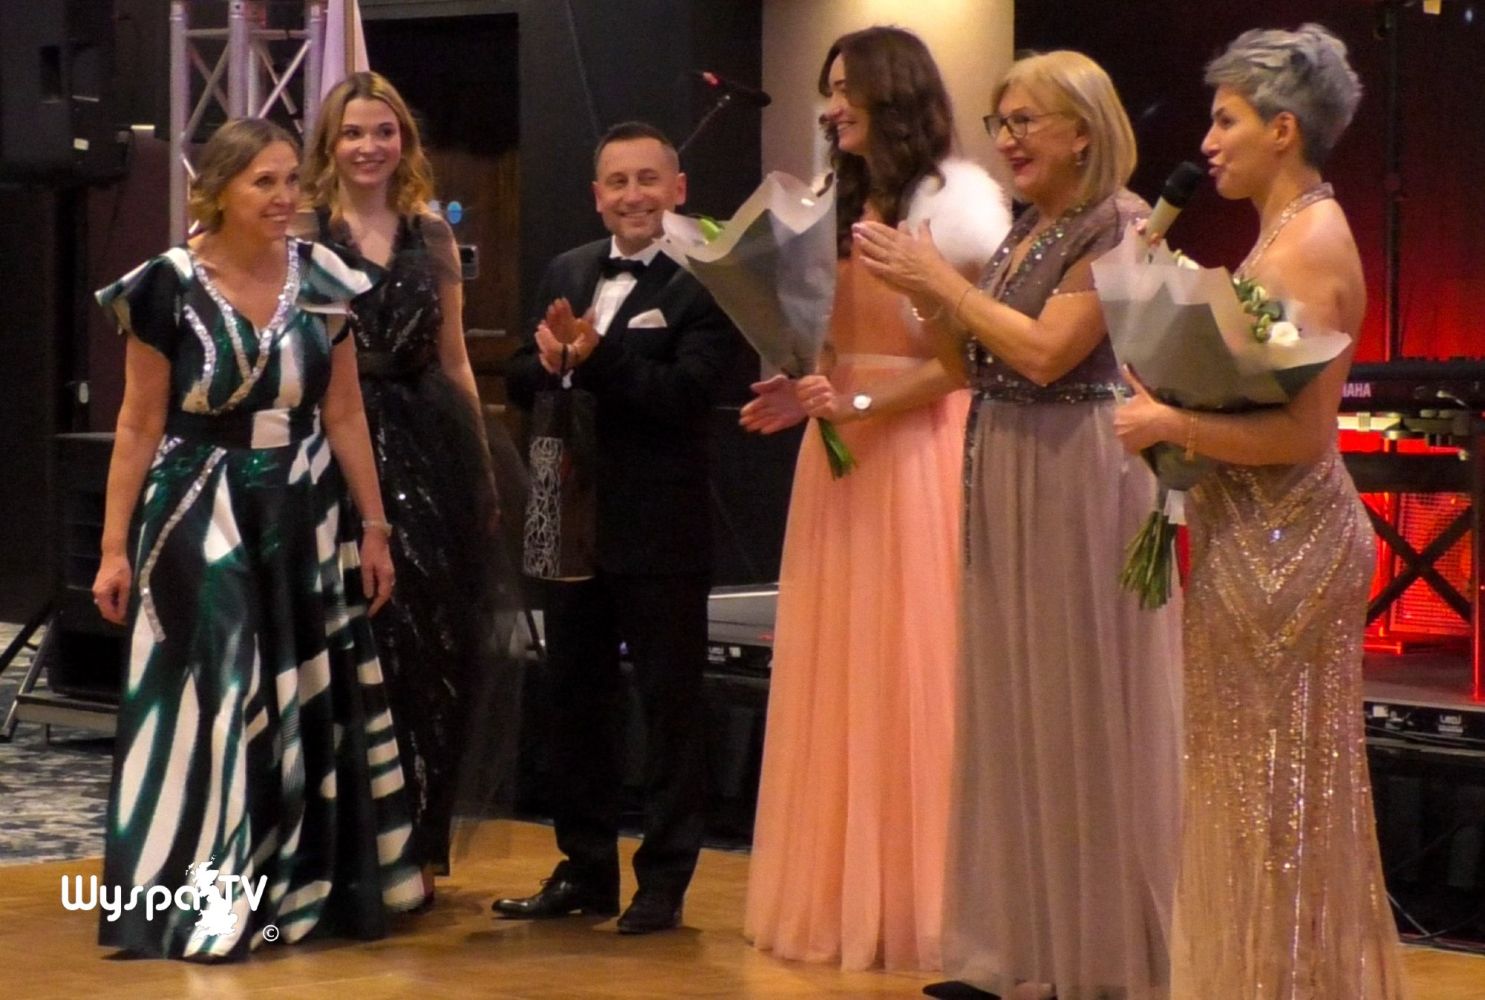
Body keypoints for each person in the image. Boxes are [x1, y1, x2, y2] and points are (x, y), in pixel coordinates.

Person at [856, 51, 1183, 999]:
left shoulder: (1119, 223)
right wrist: (926, 293)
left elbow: (1047, 354)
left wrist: (943, 282)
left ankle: (1097, 959)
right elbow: (971, 365)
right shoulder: (1028, 229)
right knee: (1012, 704)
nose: (1005, 139)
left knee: (1079, 708)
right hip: (1003, 457)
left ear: (1082, 130)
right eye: (998, 122)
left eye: (1024, 120)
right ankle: (1014, 952)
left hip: (1078, 468)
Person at [1112, 25, 1409, 998]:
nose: (1207, 142)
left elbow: (1301, 433)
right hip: (1248, 533)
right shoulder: (1281, 232)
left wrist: (1170, 420)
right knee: (1249, 797)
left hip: (1289, 542)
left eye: (1226, 120)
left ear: (1284, 130)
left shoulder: (1312, 245)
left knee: (1279, 804)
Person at [91, 117, 423, 960]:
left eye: (289, 180)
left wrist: (374, 525)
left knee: (299, 688)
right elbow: (137, 423)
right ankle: (204, 897)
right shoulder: (165, 286)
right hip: (196, 505)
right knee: (221, 692)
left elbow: (344, 412)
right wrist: (113, 547)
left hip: (303, 506)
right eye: (263, 182)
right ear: (219, 192)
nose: (283, 198)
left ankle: (291, 889)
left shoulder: (323, 280)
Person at [740, 25, 1008, 972]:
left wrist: (855, 401)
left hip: (916, 453)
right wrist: (805, 383)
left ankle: (923, 903)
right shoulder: (832, 203)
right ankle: (836, 892)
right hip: (839, 452)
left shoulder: (951, 210)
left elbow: (958, 366)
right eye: (827, 89)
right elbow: (825, 340)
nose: (830, 106)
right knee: (838, 669)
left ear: (889, 95)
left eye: (843, 88)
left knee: (911, 667)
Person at [494, 121, 743, 935]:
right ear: (596, 195)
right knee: (575, 701)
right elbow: (521, 374)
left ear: (678, 189)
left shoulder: (707, 278)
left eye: (647, 179)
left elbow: (687, 395)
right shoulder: (568, 268)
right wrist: (549, 362)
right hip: (568, 520)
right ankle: (585, 869)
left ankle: (663, 882)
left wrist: (595, 357)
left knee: (670, 708)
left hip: (660, 527)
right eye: (617, 182)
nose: (633, 195)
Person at [300, 71, 517, 905]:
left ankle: (417, 847)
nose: (369, 146)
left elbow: (454, 357)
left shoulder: (430, 232)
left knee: (431, 650)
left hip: (430, 444)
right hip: (335, 442)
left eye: (383, 131)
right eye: (354, 132)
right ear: (330, 143)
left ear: (405, 142)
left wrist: (479, 466)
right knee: (351, 644)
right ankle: (344, 842)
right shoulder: (306, 231)